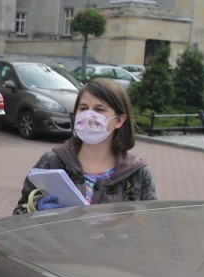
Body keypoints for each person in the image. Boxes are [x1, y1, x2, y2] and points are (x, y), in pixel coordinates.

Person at [13, 78, 156, 214]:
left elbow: (151, 224)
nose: (89, 116)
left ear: (119, 120)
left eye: (99, 110)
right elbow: (18, 215)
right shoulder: (53, 162)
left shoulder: (136, 173)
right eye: (83, 108)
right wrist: (36, 209)